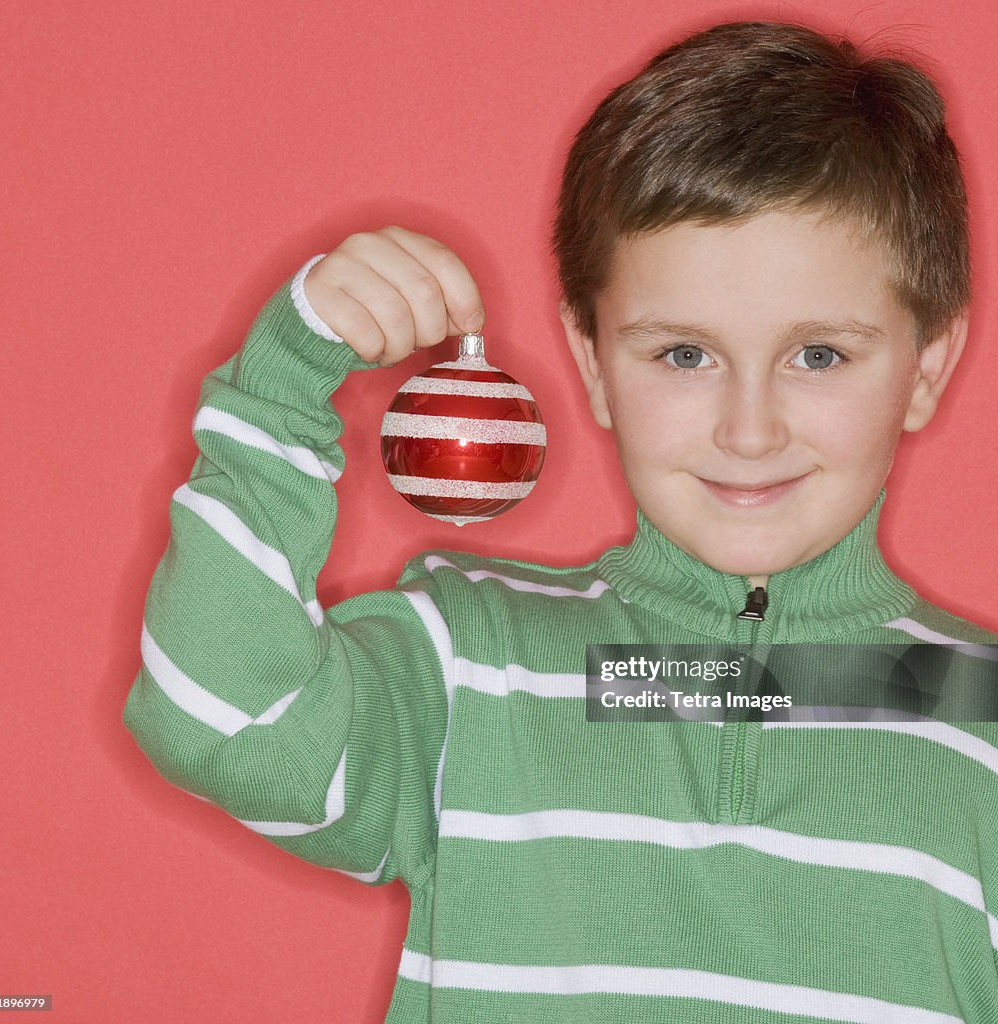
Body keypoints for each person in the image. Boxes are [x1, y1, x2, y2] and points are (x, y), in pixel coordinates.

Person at [122, 20, 998, 1022]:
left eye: (817, 356)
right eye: (682, 354)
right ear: (592, 365)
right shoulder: (470, 661)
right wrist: (283, 385)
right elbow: (220, 721)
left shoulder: (982, 711)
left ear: (925, 366)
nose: (748, 430)